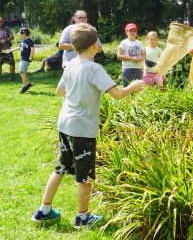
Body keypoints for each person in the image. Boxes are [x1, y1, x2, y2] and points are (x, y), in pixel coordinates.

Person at [31, 23, 146, 228]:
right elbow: (118, 95)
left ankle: (44, 210)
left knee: (60, 168)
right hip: (82, 129)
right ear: (95, 45)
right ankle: (83, 218)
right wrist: (134, 86)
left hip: (65, 123)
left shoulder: (72, 65)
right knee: (84, 176)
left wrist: (77, 95)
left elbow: (59, 91)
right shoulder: (94, 69)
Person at [117, 22, 145, 88]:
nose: (132, 32)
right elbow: (119, 56)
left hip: (138, 69)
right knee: (127, 88)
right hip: (127, 68)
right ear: (126, 32)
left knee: (138, 88)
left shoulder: (139, 43)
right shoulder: (124, 42)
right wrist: (132, 59)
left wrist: (139, 59)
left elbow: (143, 55)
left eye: (134, 31)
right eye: (130, 31)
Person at [18, 28, 35, 93]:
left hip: (26, 58)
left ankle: (26, 85)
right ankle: (27, 83)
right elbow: (19, 48)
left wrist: (31, 56)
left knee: (22, 71)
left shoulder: (29, 40)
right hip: (23, 58)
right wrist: (10, 50)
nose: (20, 35)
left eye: (20, 34)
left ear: (24, 34)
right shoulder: (23, 41)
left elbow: (32, 49)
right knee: (21, 71)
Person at [0, 16, 15, 80]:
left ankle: (12, 77)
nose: (1, 22)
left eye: (2, 21)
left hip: (7, 49)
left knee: (12, 63)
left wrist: (6, 40)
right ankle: (0, 78)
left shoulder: (6, 28)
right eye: (0, 21)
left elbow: (12, 36)